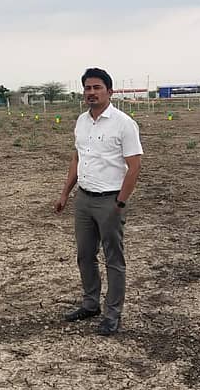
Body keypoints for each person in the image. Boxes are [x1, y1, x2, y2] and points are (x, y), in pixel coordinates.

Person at [54, 68, 143, 335]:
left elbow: (134, 166)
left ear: (109, 91)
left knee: (114, 259)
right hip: (84, 199)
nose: (91, 93)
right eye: (87, 88)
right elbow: (77, 158)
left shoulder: (123, 123)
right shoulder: (81, 121)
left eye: (97, 88)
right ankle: (90, 304)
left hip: (110, 201)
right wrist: (65, 193)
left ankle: (112, 314)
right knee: (85, 255)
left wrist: (121, 203)